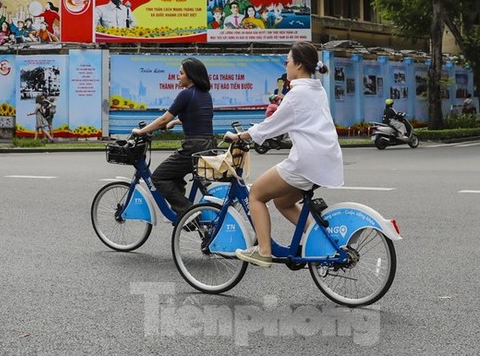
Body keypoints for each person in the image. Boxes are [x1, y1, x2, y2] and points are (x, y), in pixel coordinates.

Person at [225, 41, 343, 268]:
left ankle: (264, 251)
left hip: (307, 161)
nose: (286, 66)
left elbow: (271, 125)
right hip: (325, 158)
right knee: (282, 201)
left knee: (256, 195)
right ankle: (320, 241)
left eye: (287, 61)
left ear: (298, 65)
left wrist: (239, 137)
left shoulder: (297, 93)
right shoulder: (316, 88)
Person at [131, 57, 216, 219]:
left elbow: (163, 119)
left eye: (181, 73)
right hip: (208, 144)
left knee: (158, 177)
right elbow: (198, 117)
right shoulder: (205, 94)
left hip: (194, 146)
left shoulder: (185, 94)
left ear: (190, 76)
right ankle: (184, 214)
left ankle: (189, 213)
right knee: (173, 175)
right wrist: (177, 122)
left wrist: (141, 132)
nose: (178, 76)